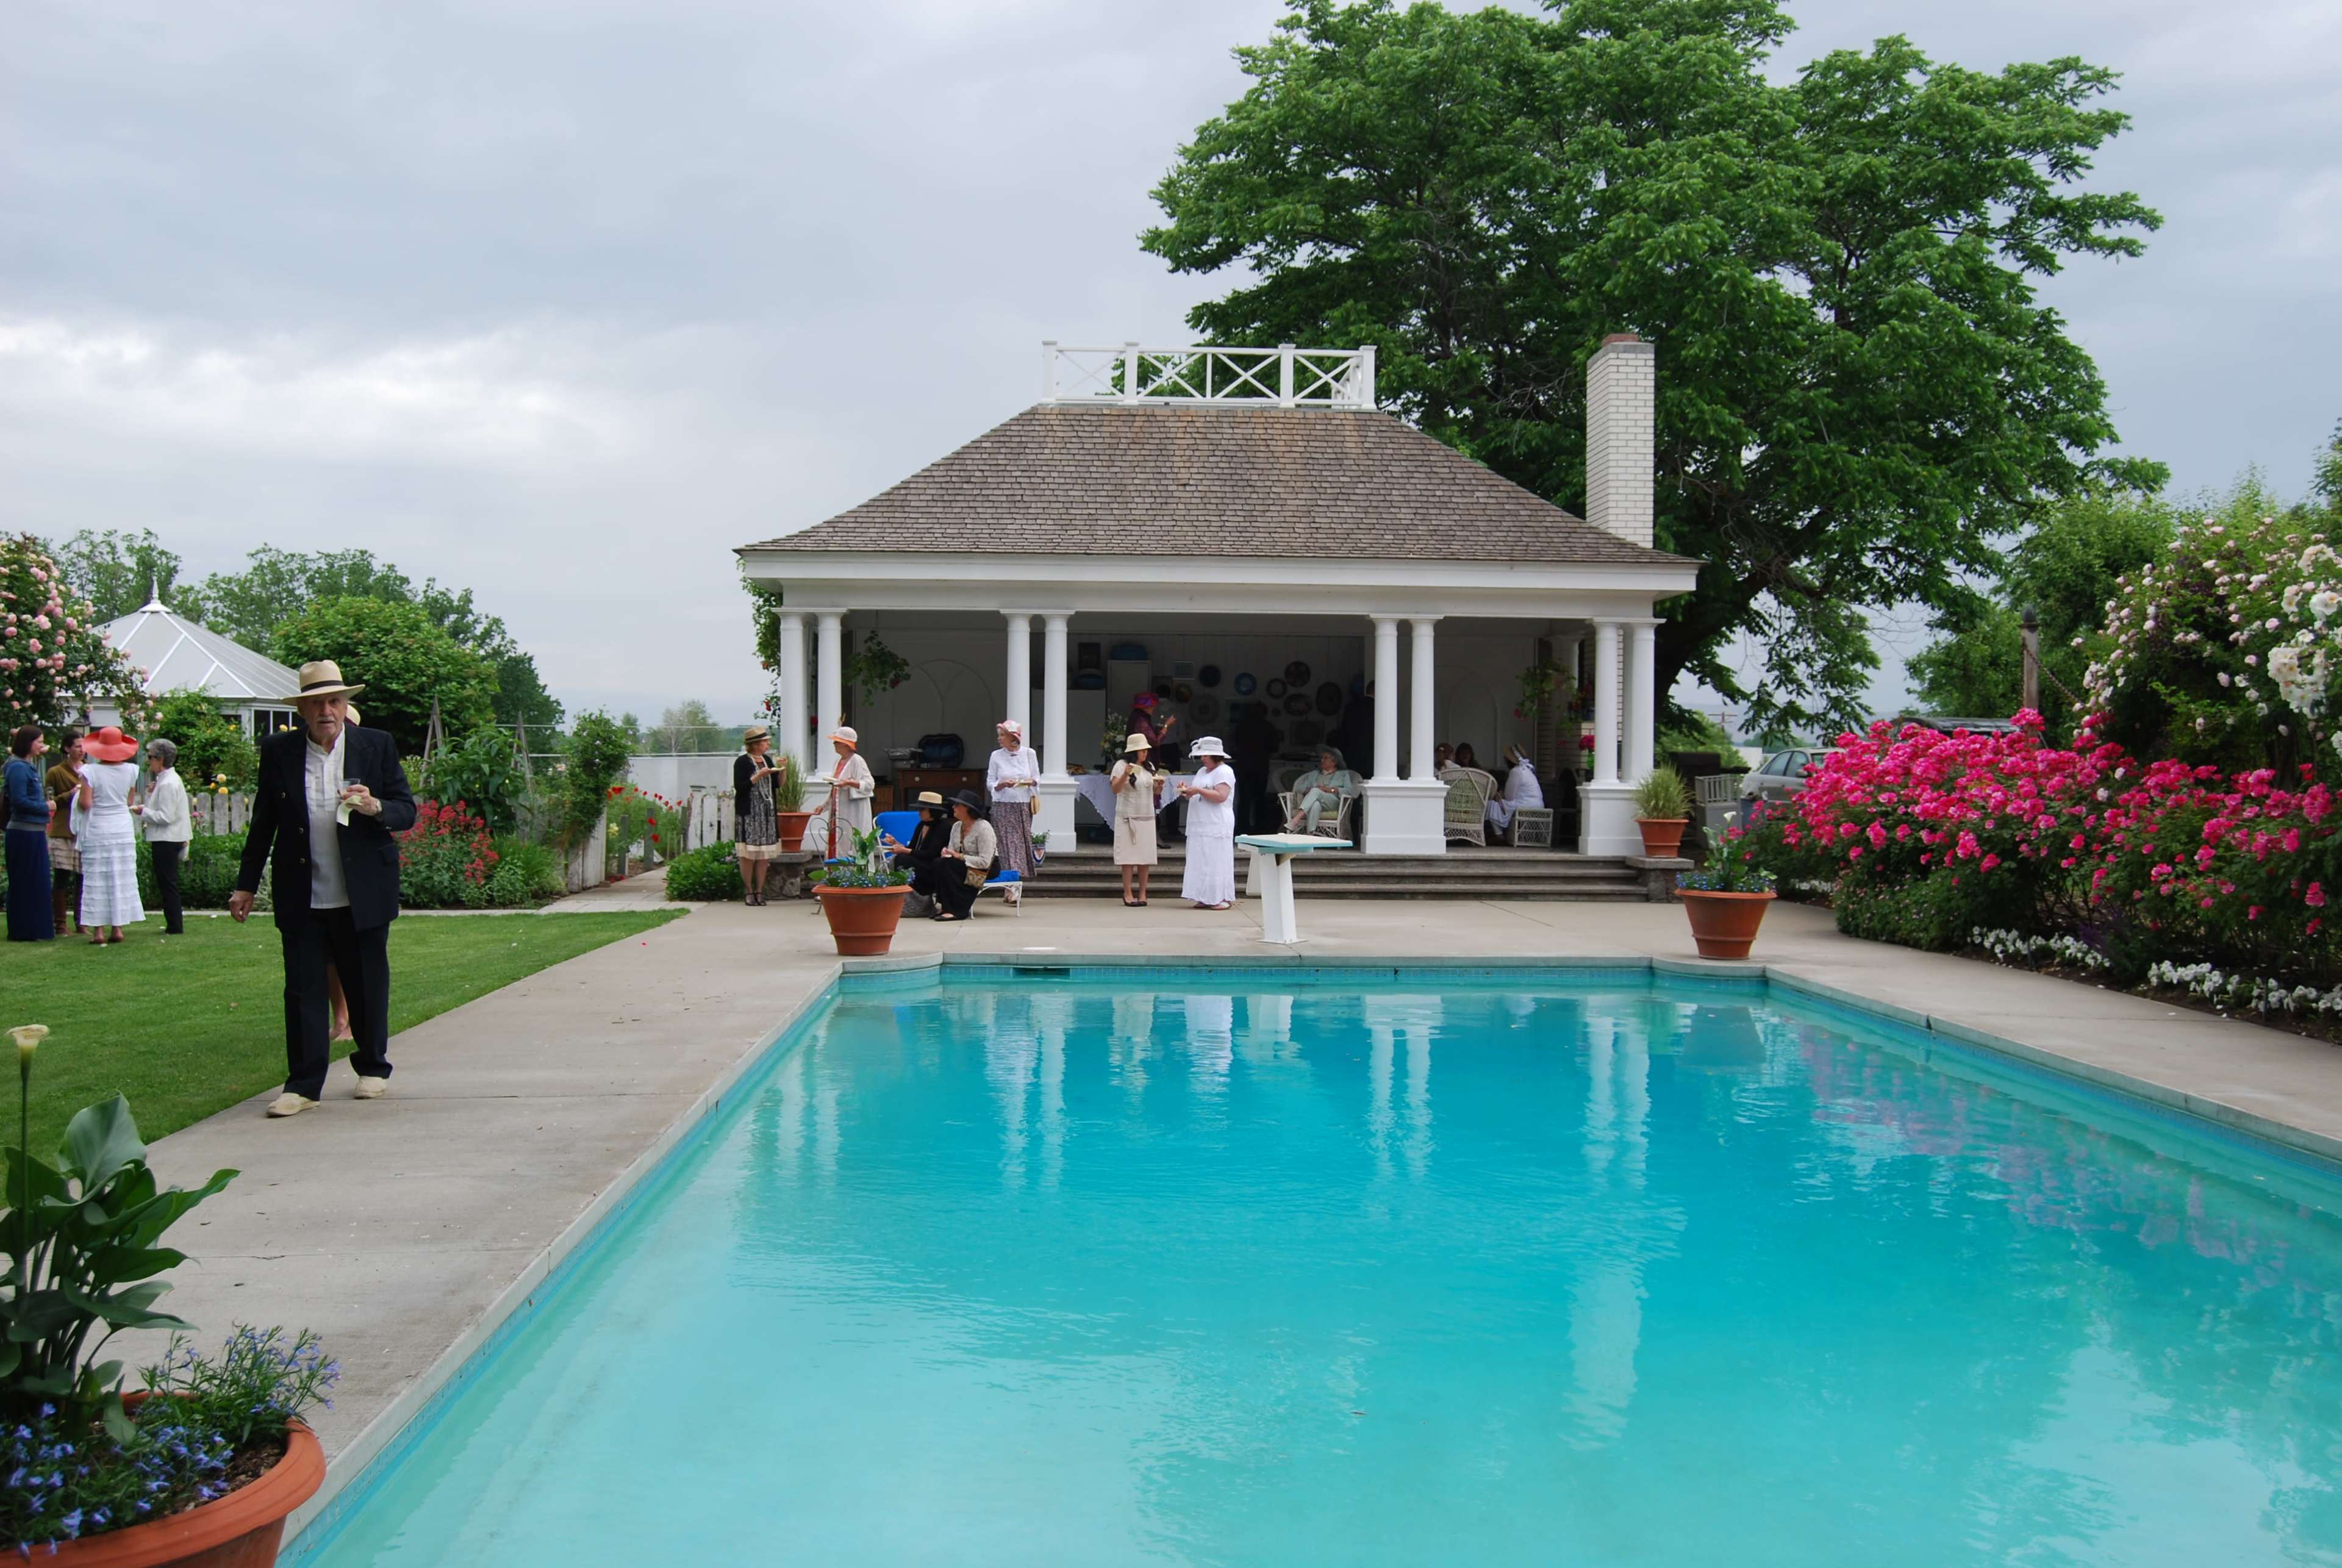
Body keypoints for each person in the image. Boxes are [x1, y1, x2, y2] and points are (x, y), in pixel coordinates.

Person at [230, 660, 417, 1119]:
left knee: (367, 983)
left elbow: (406, 809)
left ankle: (373, 1066)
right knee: (302, 990)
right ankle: (303, 1085)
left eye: (334, 700)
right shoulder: (279, 751)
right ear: (302, 709)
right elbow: (264, 823)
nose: (326, 710)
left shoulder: (376, 746)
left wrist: (376, 806)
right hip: (303, 890)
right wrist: (245, 885)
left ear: (345, 704)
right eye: (316, 702)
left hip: (363, 888)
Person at [73, 726, 144, 945]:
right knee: (119, 877)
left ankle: (98, 932)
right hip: (121, 828)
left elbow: (86, 803)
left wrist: (76, 798)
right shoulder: (132, 770)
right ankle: (118, 928)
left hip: (99, 828)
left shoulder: (90, 772)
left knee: (97, 878)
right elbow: (129, 802)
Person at [137, 737, 193, 935]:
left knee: (168, 883)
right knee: (166, 882)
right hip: (168, 837)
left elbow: (166, 816)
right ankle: (173, 923)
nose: (149, 761)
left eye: (151, 757)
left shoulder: (169, 783)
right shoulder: (165, 780)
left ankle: (175, 926)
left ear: (160, 759)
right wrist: (151, 796)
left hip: (167, 838)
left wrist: (142, 811)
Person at [4, 726, 53, 942]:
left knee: (37, 881)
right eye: (39, 742)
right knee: (26, 881)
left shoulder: (27, 766)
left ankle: (35, 929)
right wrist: (46, 806)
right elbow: (19, 800)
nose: (41, 746)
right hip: (24, 833)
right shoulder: (18, 768)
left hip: (33, 831)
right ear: (27, 742)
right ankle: (25, 930)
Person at [1178, 737, 1238, 910]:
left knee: (1216, 859)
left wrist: (1198, 790)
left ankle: (1221, 897)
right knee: (1201, 859)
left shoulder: (1225, 771)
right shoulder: (1202, 772)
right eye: (1201, 755)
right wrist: (1188, 791)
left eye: (1206, 755)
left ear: (1215, 756)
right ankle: (1204, 895)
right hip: (1199, 822)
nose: (1203, 759)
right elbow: (1198, 792)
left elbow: (1221, 796)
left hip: (1216, 822)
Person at [733, 725, 784, 906]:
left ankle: (760, 891)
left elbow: (777, 785)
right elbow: (740, 787)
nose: (768, 744)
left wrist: (782, 769)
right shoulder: (742, 762)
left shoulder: (768, 760)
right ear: (755, 744)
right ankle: (749, 890)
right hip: (749, 813)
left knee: (764, 856)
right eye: (765, 741)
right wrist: (758, 775)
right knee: (748, 854)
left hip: (767, 813)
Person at [985, 718, 1039, 887]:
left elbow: (1037, 778)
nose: (999, 739)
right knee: (1006, 846)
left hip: (1022, 806)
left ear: (1012, 737)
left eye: (1003, 736)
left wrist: (1031, 782)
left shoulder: (1029, 754)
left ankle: (1015, 884)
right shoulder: (996, 756)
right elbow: (990, 782)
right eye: (999, 735)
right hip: (1003, 806)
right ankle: (1011, 887)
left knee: (1020, 846)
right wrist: (1001, 785)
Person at [1110, 732, 1161, 905]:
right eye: (1141, 750)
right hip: (1128, 817)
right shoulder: (1121, 765)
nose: (1145, 753)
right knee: (1128, 857)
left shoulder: (1149, 767)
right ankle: (1127, 892)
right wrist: (1126, 774)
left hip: (1146, 816)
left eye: (1146, 750)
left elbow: (1154, 791)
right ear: (1134, 751)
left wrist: (1159, 787)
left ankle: (1143, 893)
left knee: (1145, 857)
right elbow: (1115, 789)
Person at [882, 790, 951, 915]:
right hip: (920, 862)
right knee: (898, 858)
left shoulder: (943, 827)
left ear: (932, 811)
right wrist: (895, 843)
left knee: (902, 859)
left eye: (922, 809)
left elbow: (930, 854)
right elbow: (912, 848)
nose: (919, 812)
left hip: (932, 866)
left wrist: (903, 850)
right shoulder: (921, 825)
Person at [931, 789, 996, 923]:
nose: (953, 807)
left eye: (957, 805)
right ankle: (946, 907)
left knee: (949, 866)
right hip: (962, 864)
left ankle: (957, 910)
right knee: (940, 863)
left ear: (968, 810)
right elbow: (952, 850)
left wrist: (959, 857)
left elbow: (985, 862)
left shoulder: (984, 828)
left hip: (986, 868)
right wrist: (947, 853)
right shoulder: (956, 826)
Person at [44, 729, 83, 937]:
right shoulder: (55, 772)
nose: (82, 750)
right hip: (62, 830)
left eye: (83, 746)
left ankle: (82, 922)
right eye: (77, 746)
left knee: (82, 878)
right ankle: (60, 924)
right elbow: (49, 802)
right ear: (67, 748)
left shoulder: (89, 771)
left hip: (82, 832)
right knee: (62, 877)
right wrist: (71, 794)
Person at [1227, 701, 1284, 834]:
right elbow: (1274, 747)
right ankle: (1261, 829)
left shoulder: (1242, 726)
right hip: (1261, 767)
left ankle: (1242, 829)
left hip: (1243, 766)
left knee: (1244, 800)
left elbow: (1235, 744)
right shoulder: (1269, 727)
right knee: (1260, 799)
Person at [819, 726, 875, 857]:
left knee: (851, 843)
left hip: (853, 811)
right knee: (837, 841)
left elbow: (869, 784)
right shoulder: (838, 762)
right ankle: (836, 874)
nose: (834, 744)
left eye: (837, 742)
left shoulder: (857, 761)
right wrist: (823, 806)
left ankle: (852, 876)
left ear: (845, 744)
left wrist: (850, 783)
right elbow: (835, 788)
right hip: (838, 811)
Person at [1285, 745, 1361, 835]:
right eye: (1322, 758)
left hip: (1334, 803)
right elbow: (1299, 788)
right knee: (1315, 805)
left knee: (1316, 791)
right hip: (1315, 800)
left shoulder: (1343, 774)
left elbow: (1349, 791)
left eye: (1325, 758)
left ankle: (1295, 820)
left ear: (1334, 761)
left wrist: (1329, 790)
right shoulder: (1314, 774)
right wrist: (1309, 791)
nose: (1322, 761)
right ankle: (1311, 835)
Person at [1486, 743, 1545, 836]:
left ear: (1509, 760)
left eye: (1506, 758)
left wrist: (1499, 796)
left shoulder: (1516, 771)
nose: (1504, 760)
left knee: (1490, 805)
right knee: (1499, 806)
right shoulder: (1527, 770)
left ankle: (1499, 835)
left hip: (1526, 805)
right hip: (1537, 805)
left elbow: (1509, 798)